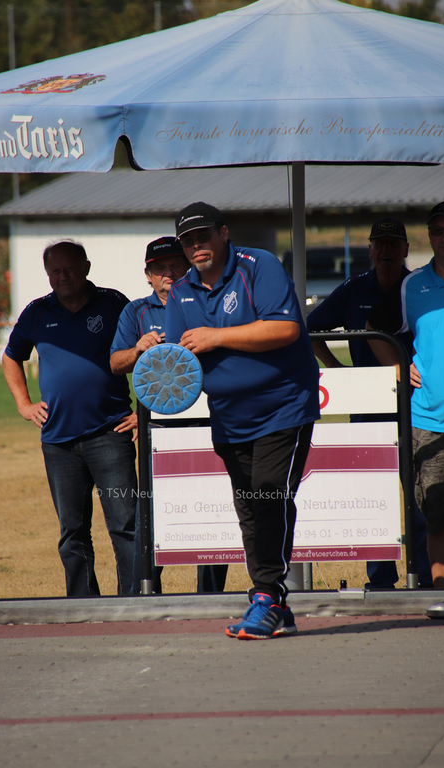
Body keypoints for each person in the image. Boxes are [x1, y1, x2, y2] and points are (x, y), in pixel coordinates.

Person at [165, 202, 320, 639]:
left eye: (203, 236)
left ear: (224, 232)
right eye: (188, 241)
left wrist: (216, 337)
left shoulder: (258, 265)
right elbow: (180, 363)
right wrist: (155, 370)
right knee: (251, 507)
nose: (196, 246)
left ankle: (266, 595)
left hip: (283, 406)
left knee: (269, 493)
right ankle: (273, 605)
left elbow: (285, 329)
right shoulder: (179, 292)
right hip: (229, 418)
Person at [2, 240, 138, 597]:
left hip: (110, 433)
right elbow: (11, 356)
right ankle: (82, 605)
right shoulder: (36, 312)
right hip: (58, 442)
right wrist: (24, 405)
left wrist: (144, 411)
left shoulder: (113, 303)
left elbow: (147, 352)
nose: (62, 276)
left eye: (70, 269)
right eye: (55, 271)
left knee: (126, 525)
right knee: (72, 533)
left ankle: (135, 602)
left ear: (86, 268)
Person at [307, 217, 432, 590]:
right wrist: (336, 369)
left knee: (419, 496)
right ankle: (380, 580)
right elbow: (310, 330)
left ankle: (425, 578)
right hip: (366, 410)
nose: (387, 250)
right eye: (380, 243)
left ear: (406, 249)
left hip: (414, 407)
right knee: (373, 496)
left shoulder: (418, 287)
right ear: (370, 249)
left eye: (394, 243)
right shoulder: (353, 289)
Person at [110, 236, 228, 594]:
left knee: (212, 512)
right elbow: (115, 363)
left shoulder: (206, 299)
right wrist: (138, 350)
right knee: (152, 516)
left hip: (210, 420)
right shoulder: (136, 312)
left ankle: (210, 596)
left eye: (176, 265)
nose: (169, 273)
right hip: (159, 430)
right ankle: (144, 595)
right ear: (147, 275)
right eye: (159, 268)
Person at [367, 200, 444, 589]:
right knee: (436, 521)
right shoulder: (412, 285)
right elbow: (373, 327)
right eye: (437, 231)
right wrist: (398, 365)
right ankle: (443, 597)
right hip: (427, 422)